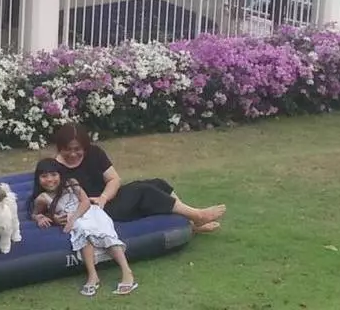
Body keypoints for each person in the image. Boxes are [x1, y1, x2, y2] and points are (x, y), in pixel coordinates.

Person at [49, 123, 225, 231]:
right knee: (143, 190)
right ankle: (197, 216)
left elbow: (113, 179)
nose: (73, 154)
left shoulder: (94, 153)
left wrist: (103, 197)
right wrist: (53, 217)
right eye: (68, 149)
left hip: (106, 200)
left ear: (85, 147)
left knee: (158, 183)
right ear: (60, 147)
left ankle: (190, 224)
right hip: (93, 213)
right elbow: (44, 197)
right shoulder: (54, 169)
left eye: (77, 149)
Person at [28, 158, 137, 297]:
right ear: (38, 179)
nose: (50, 179)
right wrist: (41, 218)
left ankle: (126, 272)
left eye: (54, 174)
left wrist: (72, 219)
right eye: (44, 176)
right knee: (82, 231)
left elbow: (85, 202)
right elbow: (35, 213)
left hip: (88, 212)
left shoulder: (71, 183)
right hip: (76, 222)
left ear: (60, 174)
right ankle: (93, 275)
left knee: (103, 232)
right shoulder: (42, 198)